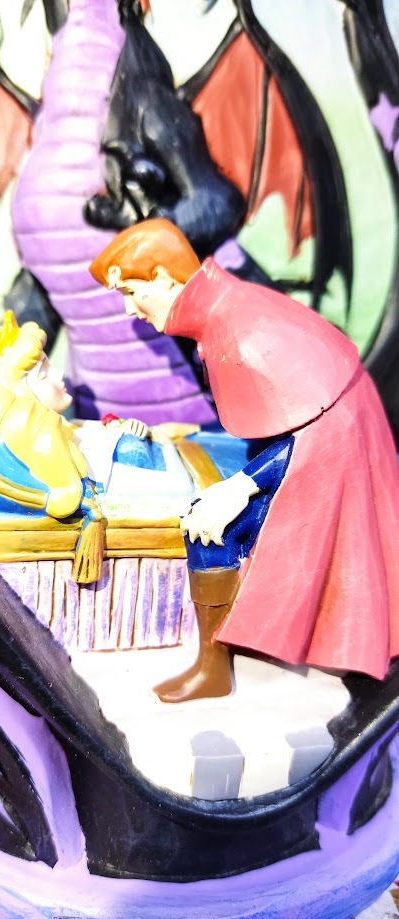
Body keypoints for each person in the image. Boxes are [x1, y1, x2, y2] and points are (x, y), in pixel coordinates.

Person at [90, 218, 399, 703]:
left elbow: (314, 430)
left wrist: (238, 489)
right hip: (318, 434)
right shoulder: (223, 309)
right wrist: (191, 435)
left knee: (207, 524)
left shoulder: (238, 327)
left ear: (164, 278)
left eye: (132, 292)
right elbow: (275, 411)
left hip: (335, 451)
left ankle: (213, 668)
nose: (130, 310)